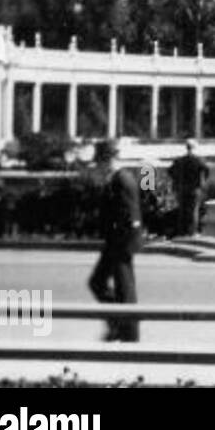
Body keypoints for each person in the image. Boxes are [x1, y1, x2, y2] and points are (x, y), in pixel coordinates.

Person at [87, 139, 143, 342]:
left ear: (109, 159)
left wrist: (125, 244)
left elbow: (130, 215)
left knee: (122, 288)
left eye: (100, 161)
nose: (98, 166)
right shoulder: (117, 179)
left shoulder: (122, 179)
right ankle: (119, 325)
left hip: (121, 242)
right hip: (117, 241)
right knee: (103, 283)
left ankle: (127, 331)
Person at [168, 138, 210, 238]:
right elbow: (206, 171)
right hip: (194, 189)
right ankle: (193, 232)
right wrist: (202, 181)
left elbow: (170, 171)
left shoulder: (179, 160)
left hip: (181, 188)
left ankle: (182, 231)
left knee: (182, 210)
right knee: (194, 210)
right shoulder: (199, 160)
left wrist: (177, 180)